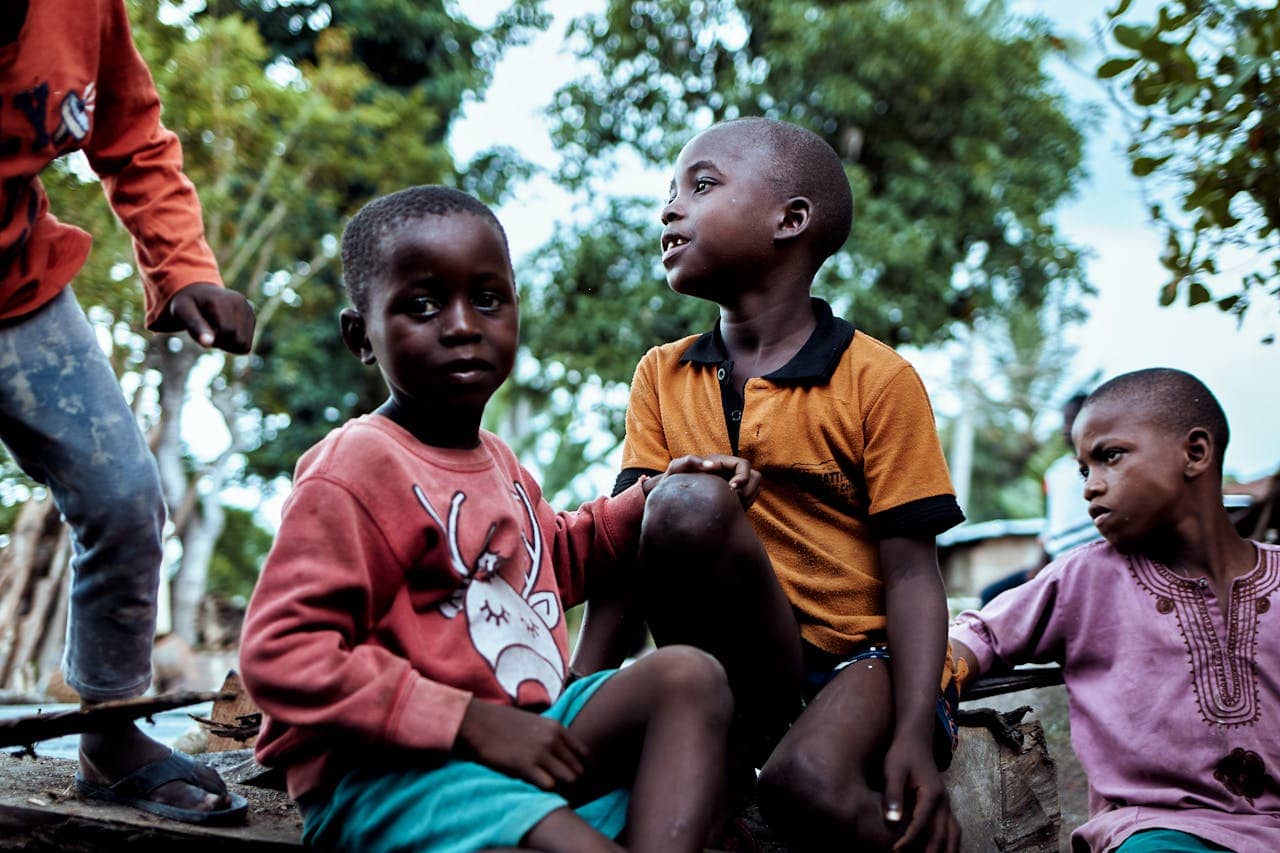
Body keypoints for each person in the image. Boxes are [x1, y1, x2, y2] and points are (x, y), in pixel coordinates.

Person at [239, 186, 750, 852]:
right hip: (393, 773)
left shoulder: (498, 461)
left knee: (689, 677)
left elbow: (552, 560)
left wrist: (649, 501)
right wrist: (467, 721)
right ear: (360, 335)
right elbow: (281, 651)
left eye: (487, 299)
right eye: (421, 305)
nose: (461, 325)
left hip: (515, 738)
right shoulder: (358, 464)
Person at [573, 117, 966, 851]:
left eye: (702, 184)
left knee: (805, 784)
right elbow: (626, 555)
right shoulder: (662, 374)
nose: (669, 208)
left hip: (862, 658)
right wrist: (572, 701)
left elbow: (913, 574)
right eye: (669, 190)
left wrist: (913, 734)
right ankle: (723, 749)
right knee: (678, 503)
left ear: (791, 220)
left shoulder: (876, 379)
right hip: (736, 665)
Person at [1, 0, 254, 824]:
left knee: (121, 495)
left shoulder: (79, 8)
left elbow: (132, 134)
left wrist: (183, 267)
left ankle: (110, 738)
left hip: (19, 289)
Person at [950, 368, 1280, 853]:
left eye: (1109, 457)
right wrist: (931, 671)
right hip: (1157, 829)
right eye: (1084, 469)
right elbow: (983, 634)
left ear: (1195, 453)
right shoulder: (1085, 578)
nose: (1090, 487)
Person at [979, 391, 1099, 605]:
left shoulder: (1103, 468)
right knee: (991, 595)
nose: (1065, 428)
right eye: (1064, 421)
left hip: (1089, 564)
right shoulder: (1056, 472)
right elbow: (1051, 525)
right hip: (1056, 562)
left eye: (1072, 420)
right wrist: (1039, 565)